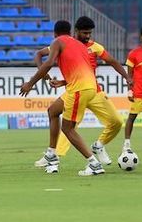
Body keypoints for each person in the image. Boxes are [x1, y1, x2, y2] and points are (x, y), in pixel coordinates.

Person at [33, 16, 131, 172]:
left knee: (116, 121)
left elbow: (111, 62)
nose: (88, 36)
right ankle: (53, 155)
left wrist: (127, 77)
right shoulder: (68, 43)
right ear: (76, 31)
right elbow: (40, 55)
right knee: (54, 112)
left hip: (90, 90)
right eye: (85, 33)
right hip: (77, 88)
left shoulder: (94, 47)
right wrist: (54, 79)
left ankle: (98, 148)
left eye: (89, 33)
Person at [20, 20, 104, 176]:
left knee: (67, 128)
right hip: (88, 87)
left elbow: (49, 62)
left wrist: (31, 83)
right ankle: (51, 154)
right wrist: (61, 81)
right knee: (53, 111)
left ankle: (94, 164)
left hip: (79, 89)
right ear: (71, 31)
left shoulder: (57, 42)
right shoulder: (80, 45)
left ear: (55, 33)